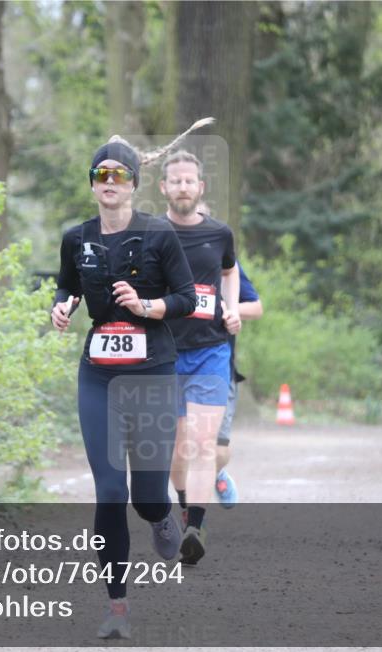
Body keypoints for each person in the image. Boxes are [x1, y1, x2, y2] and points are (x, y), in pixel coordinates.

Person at [51, 131, 199, 639]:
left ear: (134, 184)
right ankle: (117, 608)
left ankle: (162, 516)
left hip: (153, 371)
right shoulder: (77, 237)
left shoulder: (159, 235)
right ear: (93, 185)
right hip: (98, 374)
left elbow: (185, 298)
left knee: (146, 494)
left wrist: (146, 307)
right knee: (110, 490)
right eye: (100, 175)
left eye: (118, 175)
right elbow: (67, 282)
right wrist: (64, 304)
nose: (109, 182)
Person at [159, 151, 238, 566]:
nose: (183, 187)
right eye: (176, 181)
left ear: (200, 187)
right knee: (177, 452)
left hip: (210, 351)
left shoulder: (220, 233)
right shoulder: (152, 233)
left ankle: (196, 527)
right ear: (164, 188)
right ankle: (187, 504)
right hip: (166, 353)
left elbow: (229, 272)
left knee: (203, 445)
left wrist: (233, 308)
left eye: (190, 181)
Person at [213, 261, 263, 506]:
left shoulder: (222, 258)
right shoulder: (164, 251)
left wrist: (228, 308)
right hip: (177, 366)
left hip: (221, 367)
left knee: (218, 451)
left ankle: (216, 473)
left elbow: (256, 308)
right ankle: (190, 515)